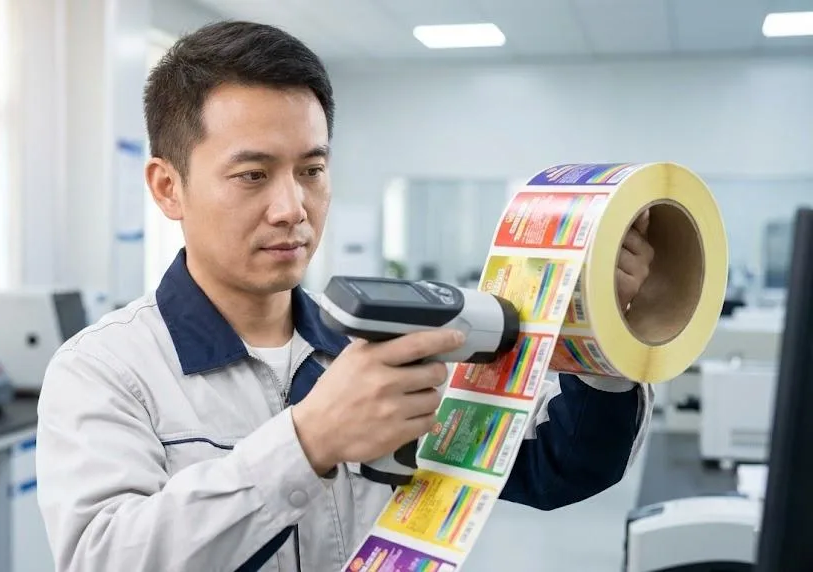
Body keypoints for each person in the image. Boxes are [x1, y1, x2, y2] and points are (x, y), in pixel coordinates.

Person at [35, 20, 655, 572]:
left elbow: (560, 466)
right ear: (168, 187)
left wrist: (592, 326)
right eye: (253, 175)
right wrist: (308, 442)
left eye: (312, 170)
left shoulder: (385, 345)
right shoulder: (106, 370)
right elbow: (104, 557)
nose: (292, 209)